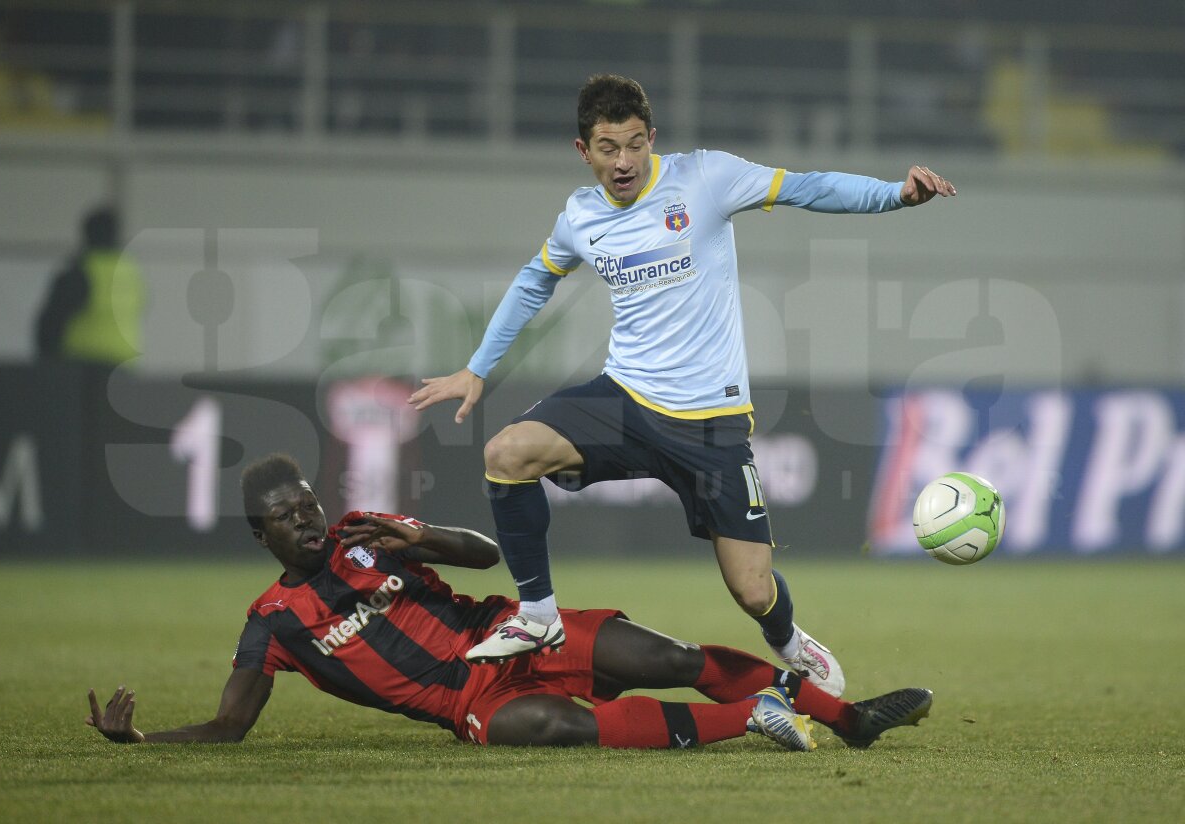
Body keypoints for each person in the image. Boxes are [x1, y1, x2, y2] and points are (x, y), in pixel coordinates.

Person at [407, 74, 957, 687]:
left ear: (652, 139)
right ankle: (537, 613)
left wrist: (895, 196)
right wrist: (477, 367)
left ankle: (790, 640)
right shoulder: (580, 217)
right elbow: (536, 278)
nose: (625, 162)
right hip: (627, 399)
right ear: (582, 151)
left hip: (710, 422)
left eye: (636, 145)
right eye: (609, 149)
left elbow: (809, 188)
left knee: (752, 591)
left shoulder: (705, 178)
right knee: (505, 453)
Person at [86, 453, 932, 751]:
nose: (305, 521)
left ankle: (846, 717)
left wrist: (418, 537)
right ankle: (751, 719)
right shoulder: (269, 625)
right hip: (470, 702)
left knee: (669, 660)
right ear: (259, 536)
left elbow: (486, 553)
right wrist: (140, 743)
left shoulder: (365, 533)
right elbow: (231, 726)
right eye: (285, 518)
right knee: (554, 731)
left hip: (515, 632)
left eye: (307, 504)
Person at [35, 204, 144, 365]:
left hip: (83, 366)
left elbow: (51, 322)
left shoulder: (82, 271)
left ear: (86, 234)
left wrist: (46, 361)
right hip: (124, 365)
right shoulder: (131, 272)